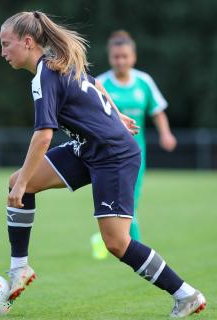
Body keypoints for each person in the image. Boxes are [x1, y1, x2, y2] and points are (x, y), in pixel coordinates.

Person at [0, 11, 206, 317]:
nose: (2, 52)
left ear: (28, 42)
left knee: (117, 243)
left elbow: (43, 136)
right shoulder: (58, 62)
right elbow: (94, 83)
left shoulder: (46, 73)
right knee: (19, 180)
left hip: (113, 154)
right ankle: (20, 268)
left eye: (6, 44)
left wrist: (21, 186)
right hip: (90, 148)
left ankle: (186, 295)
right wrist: (116, 113)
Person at [91, 30, 177, 257]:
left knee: (130, 200)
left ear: (133, 57)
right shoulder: (100, 83)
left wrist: (165, 134)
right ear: (110, 58)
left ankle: (123, 245)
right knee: (117, 202)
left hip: (136, 153)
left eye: (125, 56)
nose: (120, 61)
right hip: (107, 154)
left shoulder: (144, 81)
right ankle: (133, 250)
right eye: (116, 57)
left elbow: (157, 111)